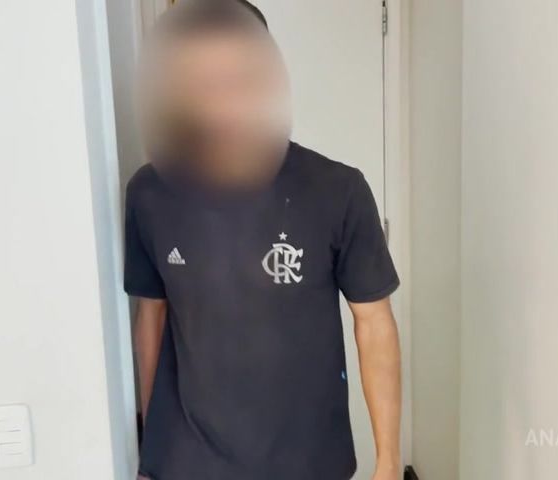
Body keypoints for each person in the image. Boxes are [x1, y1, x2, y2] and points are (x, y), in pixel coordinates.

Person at [125, 1, 401, 479]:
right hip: (189, 460)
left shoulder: (336, 189)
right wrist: (152, 447)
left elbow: (373, 321)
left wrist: (389, 462)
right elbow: (152, 314)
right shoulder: (150, 192)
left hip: (308, 459)